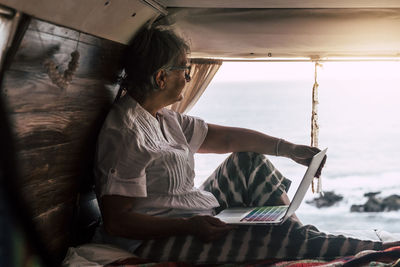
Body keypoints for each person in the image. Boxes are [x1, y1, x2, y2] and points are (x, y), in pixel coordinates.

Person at [93, 25, 398, 263]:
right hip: (158, 240)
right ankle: (378, 249)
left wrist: (290, 149)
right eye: (184, 70)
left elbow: (226, 138)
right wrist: (190, 227)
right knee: (284, 240)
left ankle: (293, 234)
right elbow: (119, 223)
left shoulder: (165, 118)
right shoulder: (126, 131)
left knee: (247, 160)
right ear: (161, 77)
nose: (187, 77)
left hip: (196, 214)